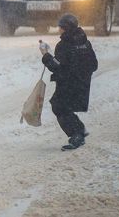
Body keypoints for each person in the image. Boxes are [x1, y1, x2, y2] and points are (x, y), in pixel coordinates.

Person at [40, 13, 98, 151]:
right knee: (64, 107)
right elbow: (94, 64)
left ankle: (77, 134)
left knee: (59, 107)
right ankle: (79, 130)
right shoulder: (85, 42)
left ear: (65, 28)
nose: (58, 29)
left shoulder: (64, 45)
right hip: (82, 84)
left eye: (60, 27)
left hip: (67, 84)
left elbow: (57, 66)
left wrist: (45, 54)